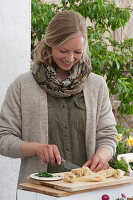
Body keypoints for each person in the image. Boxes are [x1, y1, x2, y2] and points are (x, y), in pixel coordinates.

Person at [0, 10, 118, 185]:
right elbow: (3, 137)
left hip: (87, 189)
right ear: (50, 42)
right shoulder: (23, 85)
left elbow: (108, 135)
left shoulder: (96, 85)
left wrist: (102, 155)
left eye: (77, 52)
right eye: (64, 50)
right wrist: (37, 148)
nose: (70, 58)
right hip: (39, 191)